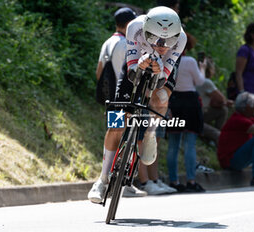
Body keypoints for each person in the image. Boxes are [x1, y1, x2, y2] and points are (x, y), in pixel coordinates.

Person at [88, 6, 187, 203]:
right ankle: (101, 180)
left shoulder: (180, 39)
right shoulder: (134, 27)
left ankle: (150, 132)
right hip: (136, 60)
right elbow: (132, 71)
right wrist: (141, 63)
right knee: (117, 121)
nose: (162, 44)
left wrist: (159, 70)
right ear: (146, 29)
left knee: (160, 97)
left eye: (168, 40)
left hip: (164, 65)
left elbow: (161, 80)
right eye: (157, 39)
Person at [136, 0, 182, 196]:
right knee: (138, 134)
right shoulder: (143, 29)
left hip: (164, 82)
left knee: (153, 137)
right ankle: (144, 181)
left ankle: (154, 179)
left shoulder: (178, 30)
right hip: (143, 78)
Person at [166, 32, 209, 192]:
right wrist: (202, 68)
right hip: (190, 102)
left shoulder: (167, 60)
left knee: (173, 145)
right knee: (190, 143)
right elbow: (199, 81)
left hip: (173, 101)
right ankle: (191, 180)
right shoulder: (190, 61)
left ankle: (174, 181)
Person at [196, 56, 233, 146]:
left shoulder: (193, 79)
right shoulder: (206, 82)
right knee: (219, 135)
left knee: (222, 110)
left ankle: (207, 137)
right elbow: (222, 99)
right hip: (196, 118)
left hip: (199, 114)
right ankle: (214, 140)